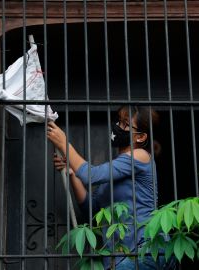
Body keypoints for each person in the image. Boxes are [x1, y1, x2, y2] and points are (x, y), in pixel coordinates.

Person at [47, 106, 172, 269]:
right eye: (119, 121)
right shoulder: (115, 171)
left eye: (125, 124)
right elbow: (90, 210)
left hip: (147, 248)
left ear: (140, 137)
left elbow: (91, 175)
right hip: (122, 256)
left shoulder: (140, 155)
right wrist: (71, 173)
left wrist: (63, 142)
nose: (118, 127)